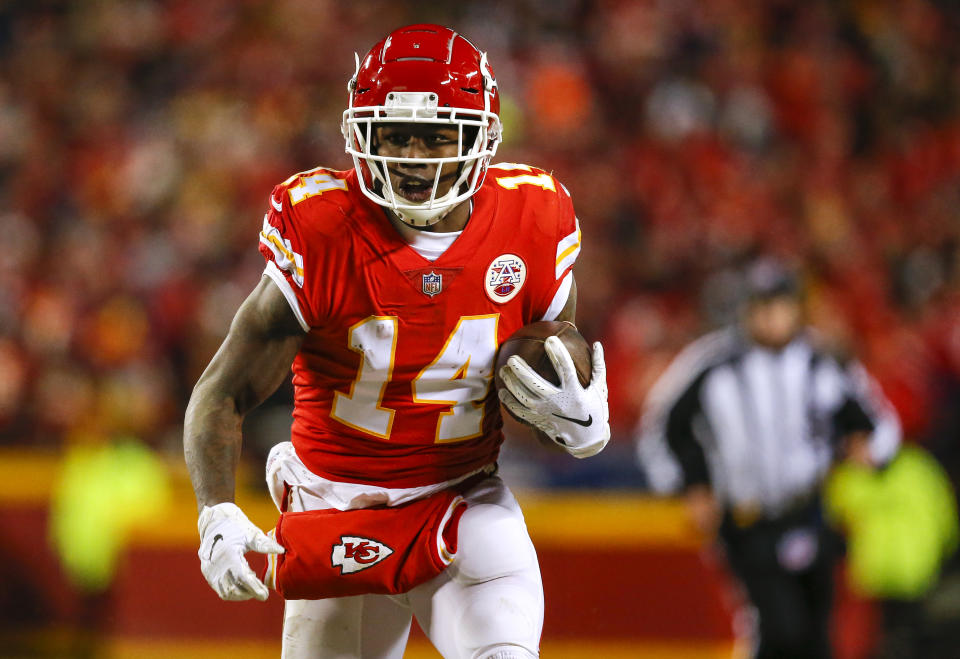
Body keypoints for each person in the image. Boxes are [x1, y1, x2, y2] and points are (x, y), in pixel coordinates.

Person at [183, 24, 610, 659]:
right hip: (336, 507)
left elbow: (545, 367)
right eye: (395, 135)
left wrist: (578, 420)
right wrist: (215, 513)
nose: (414, 156)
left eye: (438, 135)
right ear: (362, 135)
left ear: (481, 138)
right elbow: (221, 392)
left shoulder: (533, 218)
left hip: (462, 498)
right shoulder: (322, 227)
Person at [636, 258, 901, 659]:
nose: (772, 317)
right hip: (748, 520)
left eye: (779, 305)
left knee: (816, 635)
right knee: (778, 628)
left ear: (795, 307)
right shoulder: (713, 364)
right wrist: (688, 485)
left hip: (812, 511)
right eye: (762, 306)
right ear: (747, 309)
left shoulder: (822, 361)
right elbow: (662, 426)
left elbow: (878, 423)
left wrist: (867, 450)